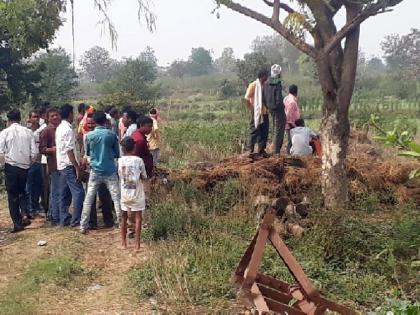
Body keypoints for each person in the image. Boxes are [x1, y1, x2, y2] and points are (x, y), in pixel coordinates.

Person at [79, 111, 121, 234]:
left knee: (89, 198)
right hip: (110, 170)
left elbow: (88, 153)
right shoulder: (112, 135)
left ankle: (83, 225)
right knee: (116, 197)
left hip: (95, 170)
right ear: (105, 121)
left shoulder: (88, 136)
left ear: (95, 122)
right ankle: (120, 223)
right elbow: (117, 154)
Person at [0, 109, 37, 233]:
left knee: (12, 195)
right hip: (24, 167)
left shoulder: (5, 132)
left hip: (11, 166)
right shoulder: (28, 132)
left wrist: (3, 164)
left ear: (9, 120)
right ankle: (24, 214)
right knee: (22, 192)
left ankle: (17, 223)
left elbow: (0, 152)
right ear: (20, 118)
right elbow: (34, 153)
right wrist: (28, 163)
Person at [56, 104, 85, 227]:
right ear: (69, 114)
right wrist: (76, 167)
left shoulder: (60, 128)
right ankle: (75, 220)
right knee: (79, 192)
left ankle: (64, 218)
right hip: (68, 164)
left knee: (64, 193)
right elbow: (69, 150)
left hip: (62, 164)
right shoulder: (67, 129)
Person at [118, 137, 147, 250]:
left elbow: (120, 175)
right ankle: (137, 245)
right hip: (137, 193)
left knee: (124, 217)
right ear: (134, 147)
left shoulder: (120, 161)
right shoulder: (139, 160)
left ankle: (124, 243)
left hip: (125, 193)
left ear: (123, 149)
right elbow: (144, 176)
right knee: (138, 218)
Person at [244, 69, 270, 157]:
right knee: (254, 130)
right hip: (256, 112)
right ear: (263, 76)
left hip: (265, 112)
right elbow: (247, 98)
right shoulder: (254, 85)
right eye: (266, 76)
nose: (267, 78)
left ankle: (261, 150)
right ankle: (249, 150)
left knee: (264, 131)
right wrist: (251, 108)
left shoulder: (266, 86)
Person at [263, 64, 286, 155]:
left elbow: (264, 97)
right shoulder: (276, 82)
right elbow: (279, 98)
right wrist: (280, 106)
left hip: (270, 108)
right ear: (279, 73)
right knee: (279, 129)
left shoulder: (266, 82)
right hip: (277, 109)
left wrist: (268, 106)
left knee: (275, 128)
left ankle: (274, 149)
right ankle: (276, 151)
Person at [25, 110, 44, 217]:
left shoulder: (42, 130)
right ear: (30, 118)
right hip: (30, 162)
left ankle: (36, 205)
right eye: (34, 117)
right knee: (29, 186)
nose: (36, 119)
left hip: (40, 161)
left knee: (38, 185)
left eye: (37, 117)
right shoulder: (27, 132)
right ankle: (29, 208)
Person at [284, 84, 301, 154]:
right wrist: (292, 125)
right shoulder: (292, 102)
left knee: (291, 141)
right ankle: (289, 156)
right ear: (296, 92)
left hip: (290, 124)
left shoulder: (286, 98)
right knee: (291, 142)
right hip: (291, 125)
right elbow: (288, 115)